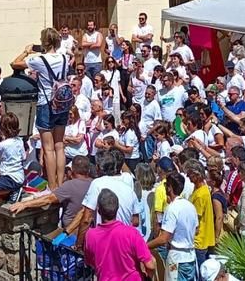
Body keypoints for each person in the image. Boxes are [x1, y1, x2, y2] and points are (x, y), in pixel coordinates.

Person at [14, 28, 71, 187]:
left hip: (45, 102)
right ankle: (61, 182)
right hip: (62, 102)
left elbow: (15, 63)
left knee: (48, 148)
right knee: (59, 145)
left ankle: (52, 186)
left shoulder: (38, 60)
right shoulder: (64, 57)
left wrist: (26, 51)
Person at [84, 190, 155, 281]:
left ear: (98, 210)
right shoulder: (131, 233)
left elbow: (91, 262)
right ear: (117, 208)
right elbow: (150, 265)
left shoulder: (90, 235)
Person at [147, 172, 198, 281]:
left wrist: (145, 246)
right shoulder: (191, 206)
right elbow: (196, 229)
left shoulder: (172, 208)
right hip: (191, 257)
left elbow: (163, 238)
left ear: (169, 188)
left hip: (177, 259)